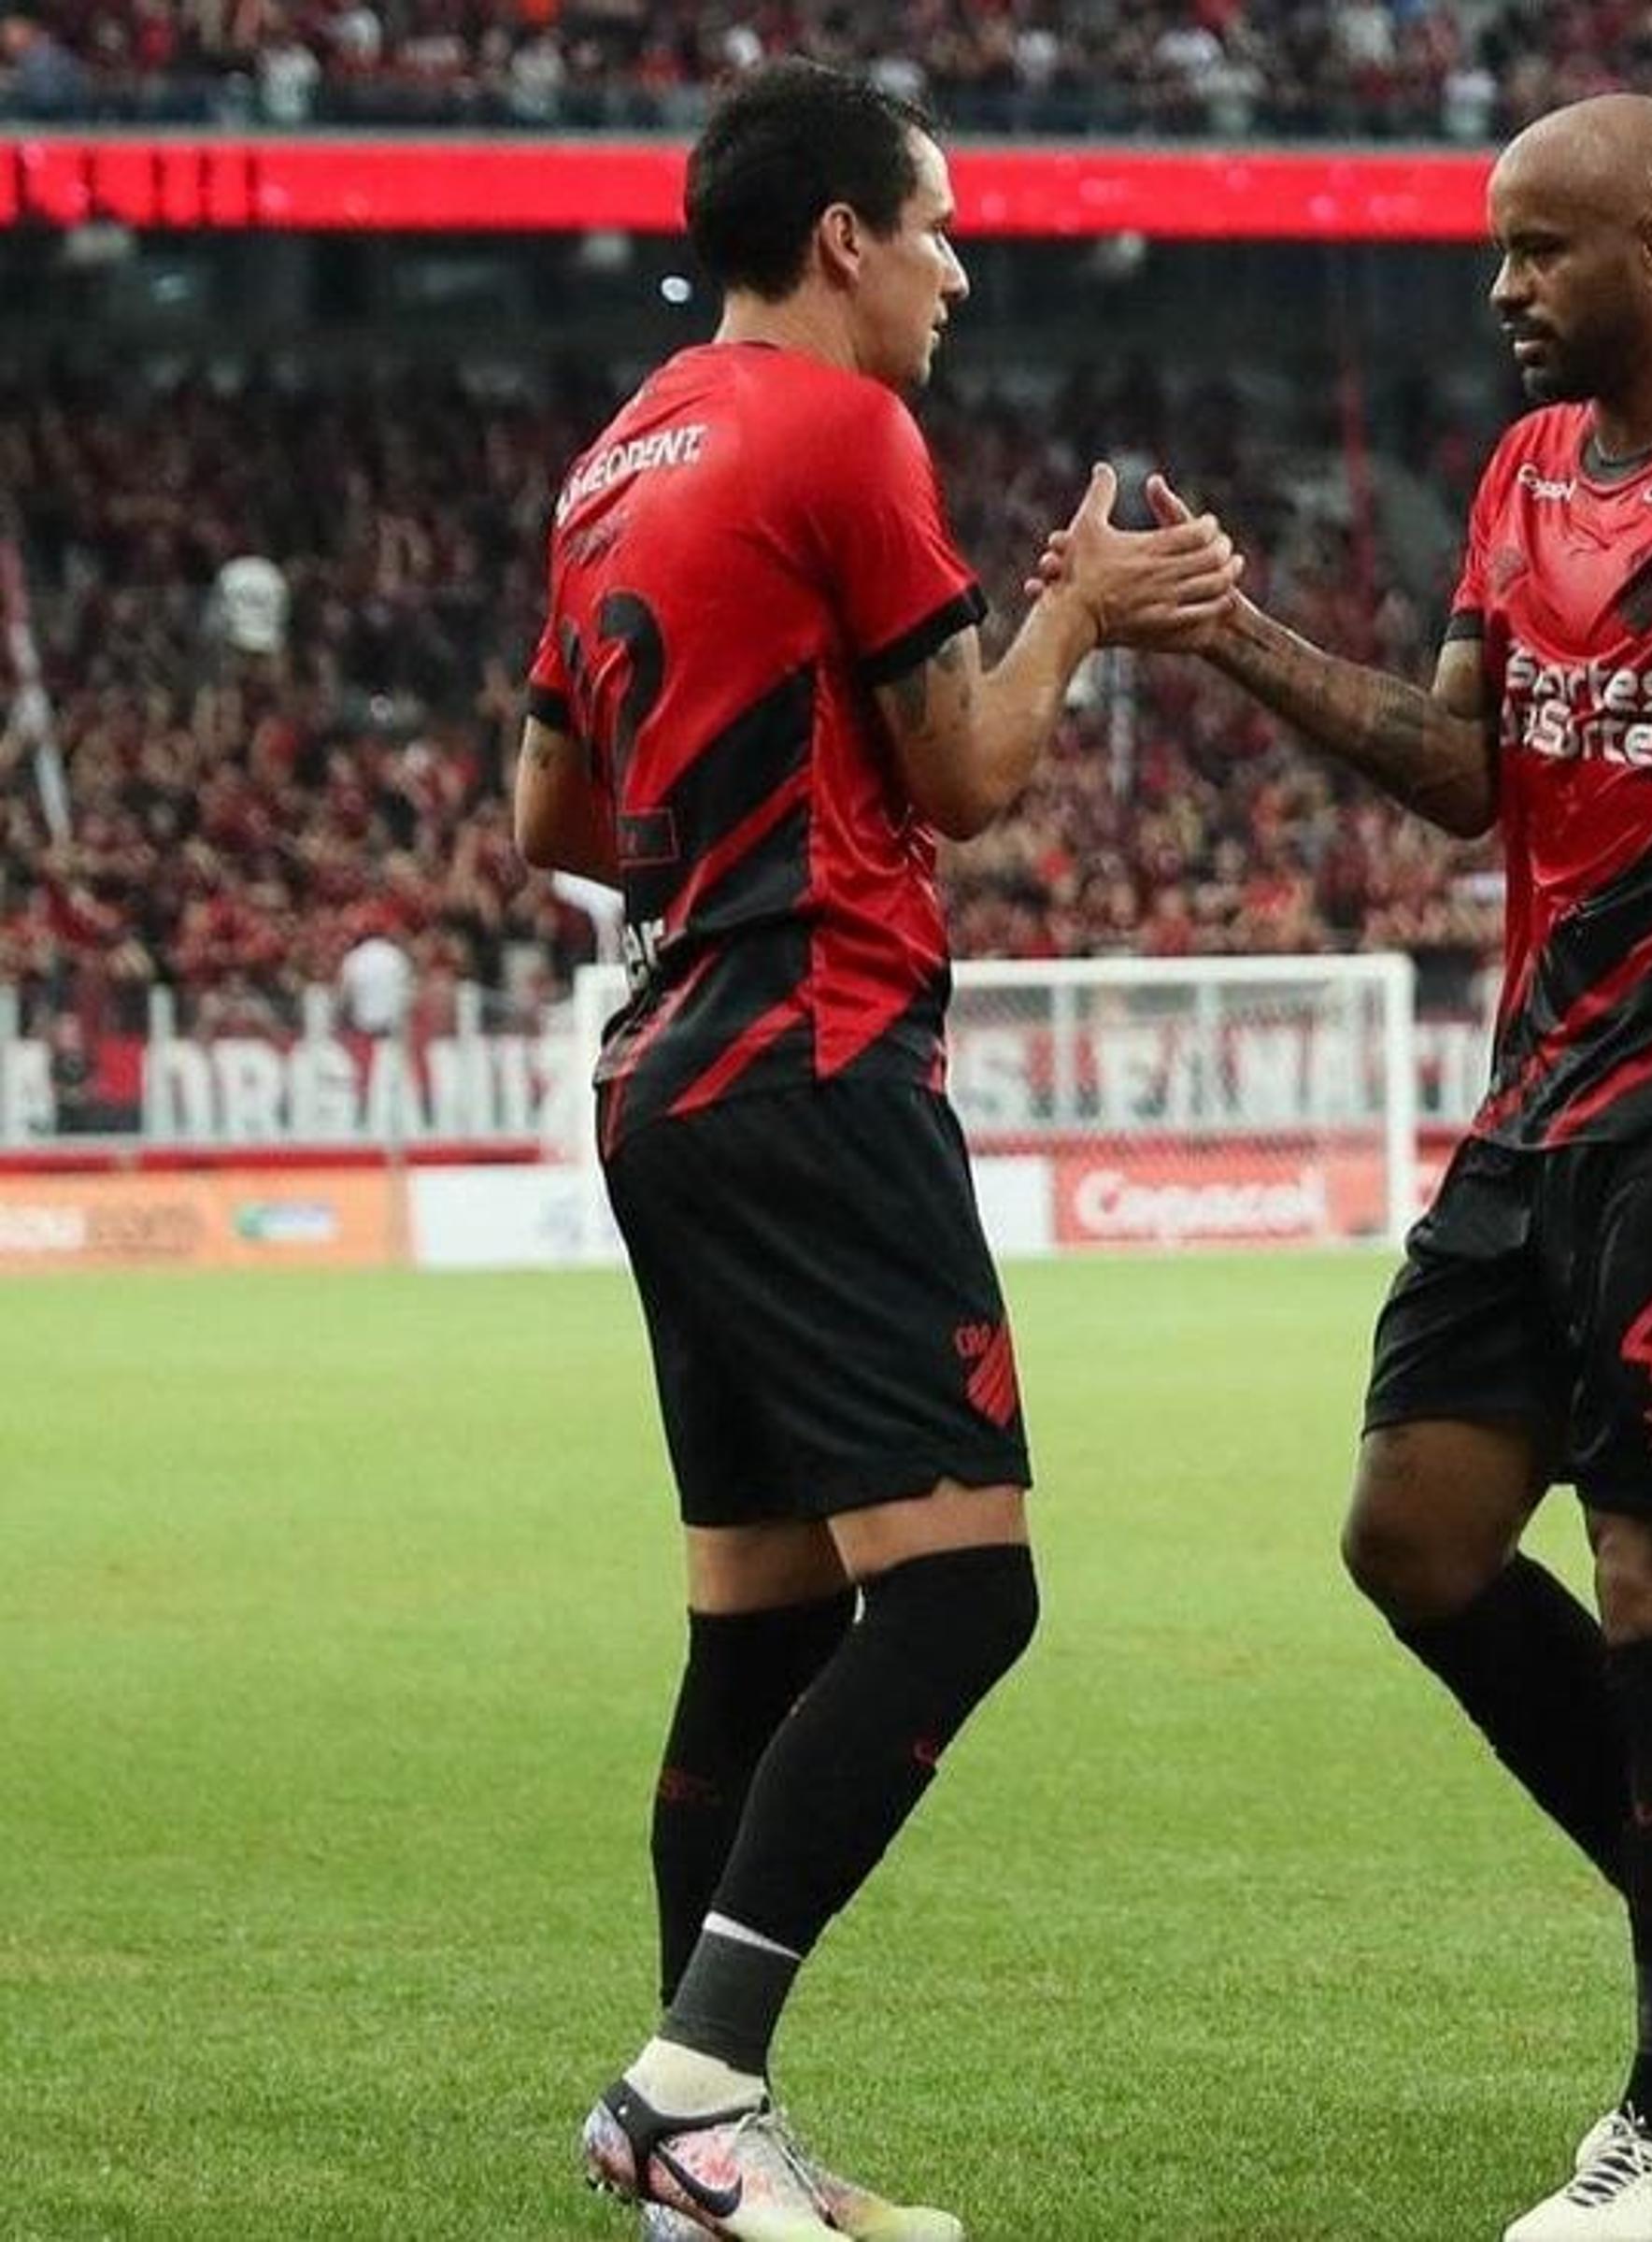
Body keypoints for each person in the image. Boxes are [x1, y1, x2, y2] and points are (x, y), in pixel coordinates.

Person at [1065, 92, 1652, 2242]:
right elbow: (1469, 767)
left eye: (1539, 252)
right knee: (1416, 1532)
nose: (1501, 289)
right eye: (1492, 251)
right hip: (1544, 1093)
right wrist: (1232, 637)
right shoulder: (1529, 472)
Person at [513, 59, 1235, 2242]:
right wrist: (1087, 605)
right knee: (961, 1588)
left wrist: (740, 772)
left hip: (666, 1061)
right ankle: (688, 2085)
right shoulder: (838, 427)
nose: (951, 266)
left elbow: (554, 820)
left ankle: (705, 2145)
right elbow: (976, 768)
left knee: (755, 1627)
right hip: (819, 1048)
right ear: (838, 232)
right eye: (932, 225)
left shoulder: (612, 456)